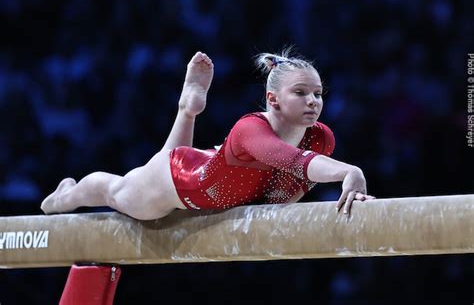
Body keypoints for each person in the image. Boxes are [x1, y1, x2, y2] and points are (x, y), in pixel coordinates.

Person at [41, 49, 375, 220]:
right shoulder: (250, 129)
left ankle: (187, 110)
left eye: (318, 93)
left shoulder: (320, 138)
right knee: (116, 191)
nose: (313, 101)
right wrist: (350, 171)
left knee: (161, 176)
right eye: (301, 93)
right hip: (179, 179)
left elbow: (276, 200)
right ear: (272, 99)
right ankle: (65, 197)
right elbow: (290, 160)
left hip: (211, 171)